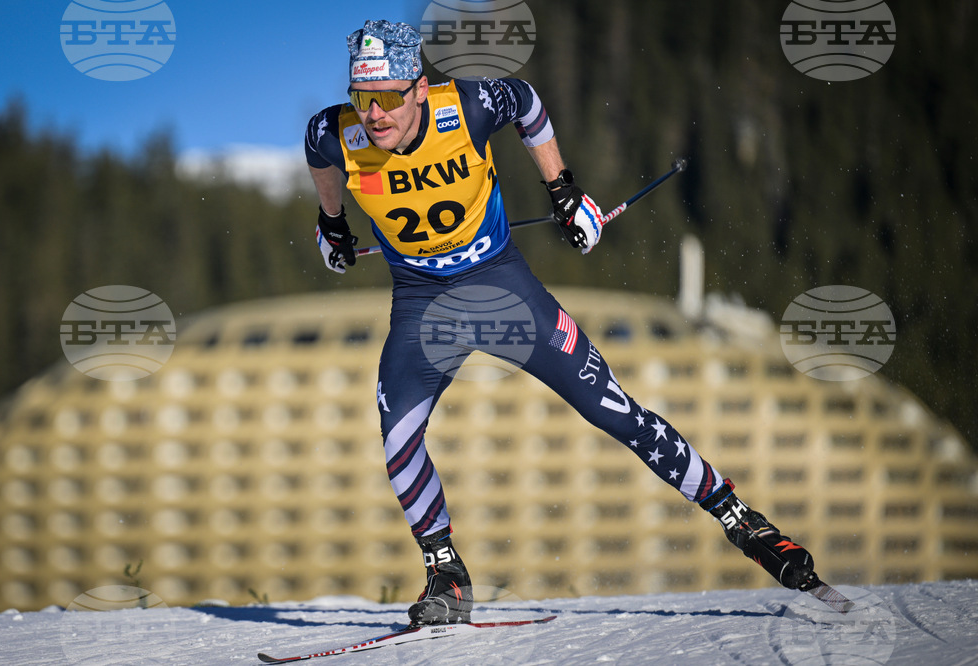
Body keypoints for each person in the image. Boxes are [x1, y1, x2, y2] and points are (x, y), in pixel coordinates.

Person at [304, 19, 819, 626]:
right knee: (397, 440)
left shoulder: (465, 107)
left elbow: (527, 105)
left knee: (613, 410)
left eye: (390, 96)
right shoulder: (332, 131)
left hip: (502, 290)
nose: (376, 114)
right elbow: (322, 162)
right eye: (364, 99)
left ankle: (741, 520)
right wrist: (333, 224)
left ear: (419, 88)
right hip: (424, 305)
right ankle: (446, 573)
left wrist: (564, 191)